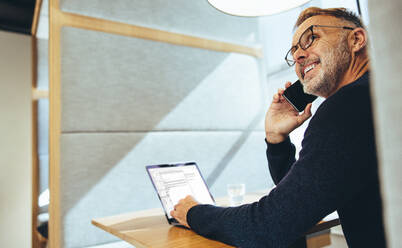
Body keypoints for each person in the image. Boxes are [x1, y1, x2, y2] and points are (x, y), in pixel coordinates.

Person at [171, 7, 386, 248]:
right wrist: (277, 140)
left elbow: (268, 226)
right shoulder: (376, 95)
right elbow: (304, 203)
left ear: (356, 39)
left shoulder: (348, 105)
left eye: (310, 39)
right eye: (293, 52)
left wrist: (193, 212)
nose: (299, 56)